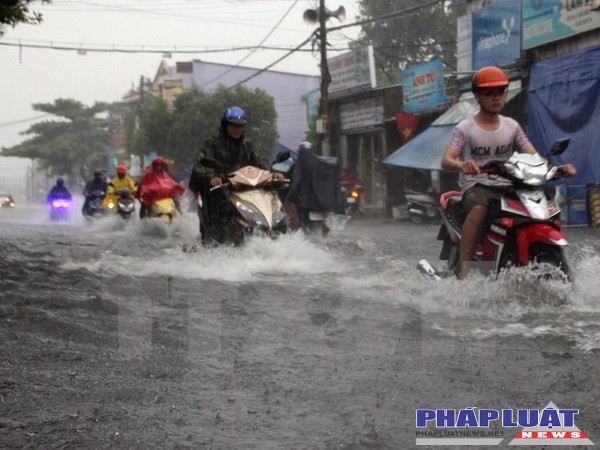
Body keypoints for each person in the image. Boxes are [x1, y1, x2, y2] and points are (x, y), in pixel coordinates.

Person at [441, 65, 576, 279]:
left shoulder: (511, 126)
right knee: (478, 209)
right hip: (477, 186)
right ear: (477, 95)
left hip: (508, 185)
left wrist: (557, 168)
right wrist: (461, 165)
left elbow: (533, 156)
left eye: (500, 92)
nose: (496, 98)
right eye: (489, 93)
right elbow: (447, 159)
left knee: (545, 204)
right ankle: (465, 273)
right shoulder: (464, 128)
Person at [189, 106, 284, 239]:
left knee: (272, 199)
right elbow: (200, 165)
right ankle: (216, 240)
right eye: (233, 126)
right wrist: (212, 178)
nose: (237, 129)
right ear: (225, 125)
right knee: (223, 209)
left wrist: (272, 173)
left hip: (246, 188)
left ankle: (275, 232)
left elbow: (259, 162)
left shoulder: (247, 144)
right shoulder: (212, 143)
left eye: (240, 126)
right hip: (221, 189)